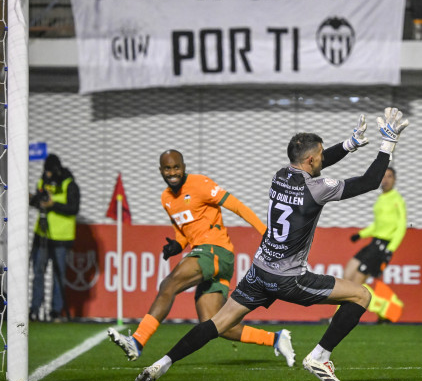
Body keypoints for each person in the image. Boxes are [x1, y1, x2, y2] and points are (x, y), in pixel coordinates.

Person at [133, 107, 409, 381]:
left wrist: (348, 146)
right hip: (289, 278)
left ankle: (161, 364)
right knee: (361, 296)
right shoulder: (317, 188)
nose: (323, 159)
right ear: (312, 159)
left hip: (259, 272)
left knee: (217, 323)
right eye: (321, 155)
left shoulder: (280, 176)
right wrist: (388, 143)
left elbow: (315, 163)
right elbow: (369, 181)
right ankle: (319, 356)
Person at [107, 150, 295, 367]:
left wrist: (264, 231)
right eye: (167, 169)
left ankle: (137, 341)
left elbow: (237, 206)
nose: (172, 172)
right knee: (213, 324)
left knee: (168, 284)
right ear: (161, 171)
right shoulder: (166, 198)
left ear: (184, 166)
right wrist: (176, 245)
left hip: (215, 251)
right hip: (207, 255)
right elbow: (183, 232)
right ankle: (276, 338)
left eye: (176, 167)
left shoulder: (201, 184)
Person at [345, 166, 407, 321]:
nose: (385, 180)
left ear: (394, 180)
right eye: (383, 176)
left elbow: (401, 226)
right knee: (347, 276)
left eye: (389, 177)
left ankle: (385, 308)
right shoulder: (380, 199)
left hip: (382, 246)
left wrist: (390, 249)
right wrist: (361, 234)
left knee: (357, 284)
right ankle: (383, 310)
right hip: (373, 243)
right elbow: (377, 225)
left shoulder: (397, 199)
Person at [29, 154, 80, 322]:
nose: (48, 175)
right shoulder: (42, 181)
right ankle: (35, 309)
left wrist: (53, 205)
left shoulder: (69, 184)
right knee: (38, 271)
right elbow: (39, 201)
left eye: (50, 172)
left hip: (61, 238)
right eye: (46, 171)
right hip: (42, 235)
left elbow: (73, 208)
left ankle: (55, 311)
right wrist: (34, 200)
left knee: (58, 275)